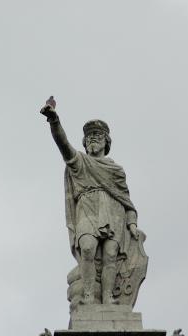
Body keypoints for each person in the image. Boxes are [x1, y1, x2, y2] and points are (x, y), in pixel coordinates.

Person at [40, 97, 139, 305]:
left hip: (113, 211)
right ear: (85, 143)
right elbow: (63, 144)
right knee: (87, 248)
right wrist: (54, 120)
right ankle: (87, 295)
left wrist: (132, 223)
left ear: (106, 142)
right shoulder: (79, 162)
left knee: (111, 255)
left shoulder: (116, 170)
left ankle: (108, 296)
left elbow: (126, 199)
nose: (93, 139)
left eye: (98, 135)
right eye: (90, 137)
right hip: (87, 207)